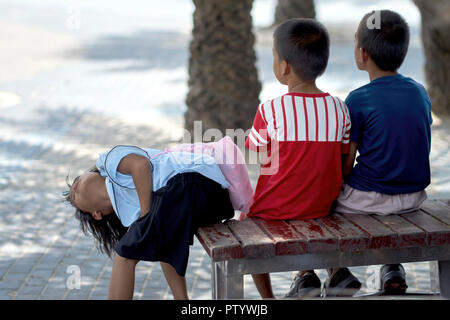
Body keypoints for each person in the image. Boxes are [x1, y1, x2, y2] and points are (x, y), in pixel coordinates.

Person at [322, 10, 431, 296]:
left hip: (371, 199)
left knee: (320, 202)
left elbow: (346, 166)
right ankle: (391, 267)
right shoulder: (420, 91)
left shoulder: (357, 99)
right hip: (414, 197)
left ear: (363, 53)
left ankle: (337, 272)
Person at [244, 18, 351, 299]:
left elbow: (254, 149)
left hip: (275, 209)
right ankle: (318, 275)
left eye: (274, 56)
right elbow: (340, 157)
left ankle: (268, 299)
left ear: (284, 66)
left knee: (246, 221)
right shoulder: (340, 109)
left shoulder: (270, 109)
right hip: (323, 205)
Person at [63, 141, 248, 300]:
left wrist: (147, 214)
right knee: (153, 246)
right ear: (96, 214)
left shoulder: (108, 162)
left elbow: (140, 165)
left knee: (124, 255)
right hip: (205, 199)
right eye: (73, 194)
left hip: (195, 182)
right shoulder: (130, 215)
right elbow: (165, 246)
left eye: (76, 180)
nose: (74, 185)